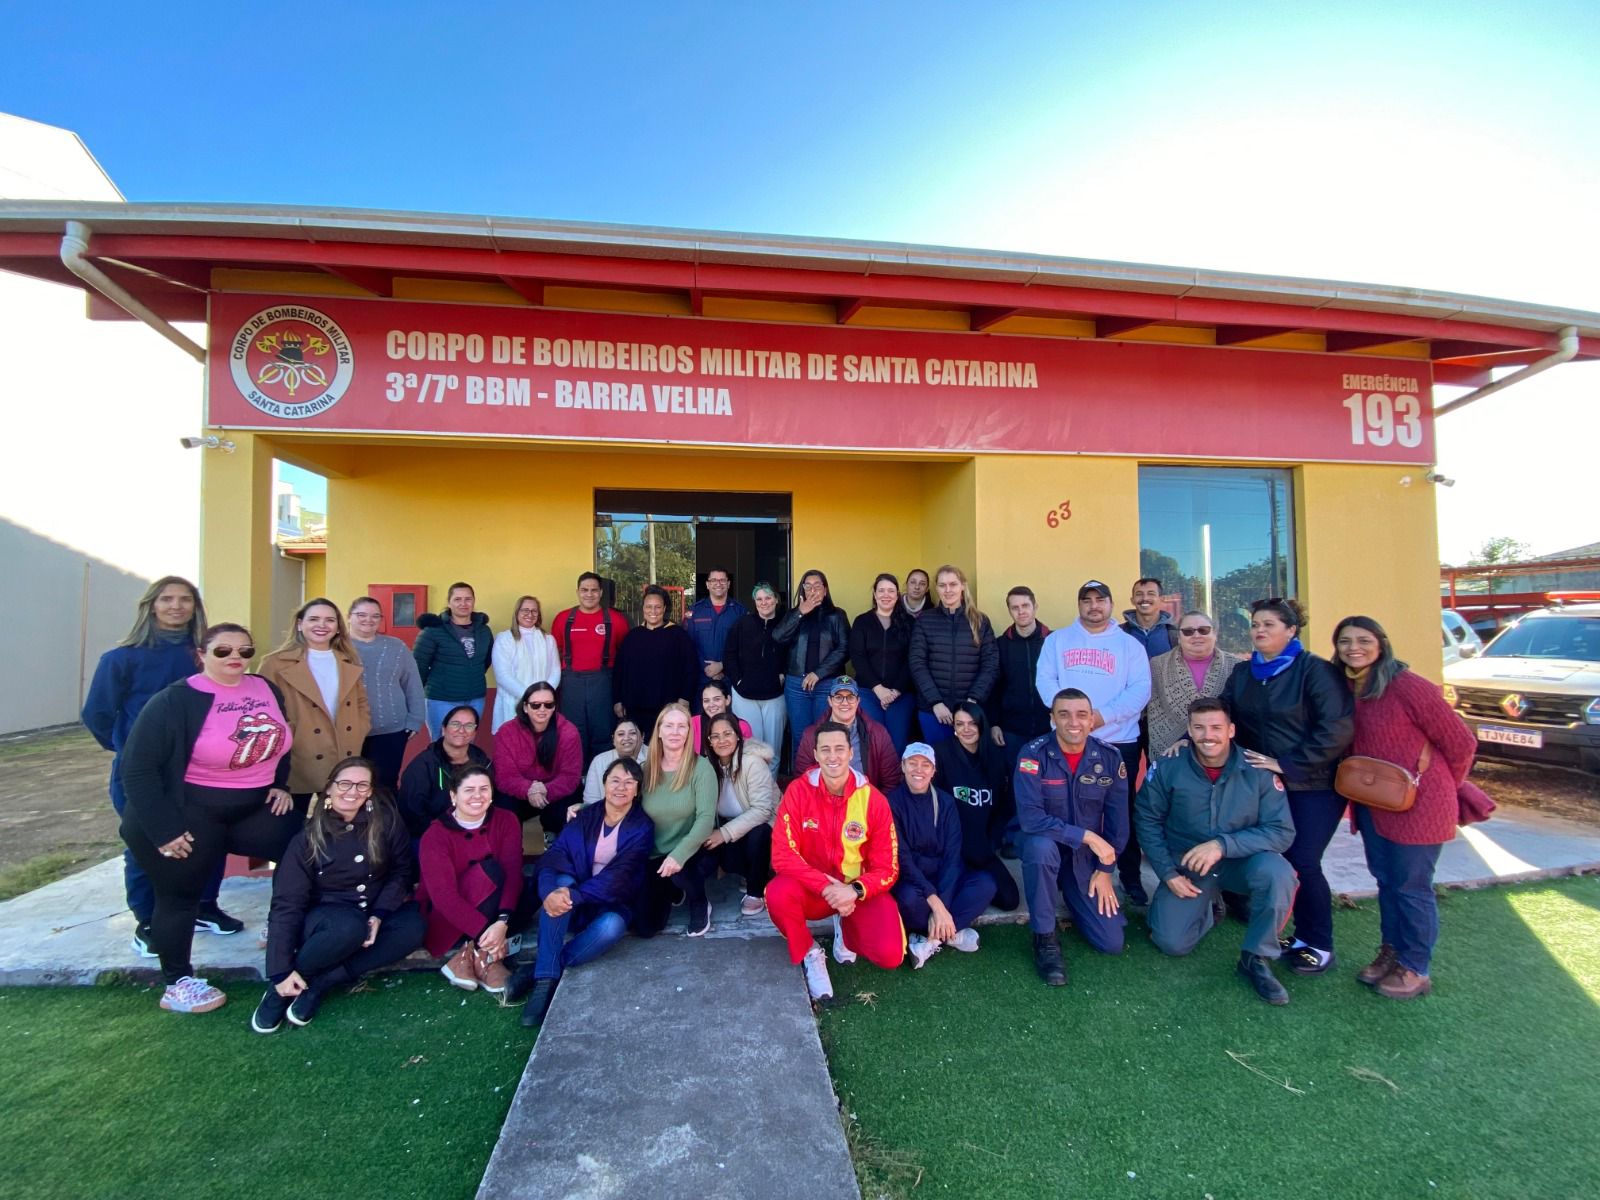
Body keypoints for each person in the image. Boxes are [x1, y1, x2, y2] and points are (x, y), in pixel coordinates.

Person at [118, 622, 297, 1013]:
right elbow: (137, 769)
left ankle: (283, 929)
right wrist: (164, 830)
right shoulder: (176, 700)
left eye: (245, 651)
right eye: (223, 651)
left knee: (299, 846)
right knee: (179, 896)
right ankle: (177, 981)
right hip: (190, 809)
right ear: (202, 654)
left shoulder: (264, 688)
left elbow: (280, 740)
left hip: (250, 806)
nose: (236, 658)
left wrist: (280, 784)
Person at [82, 575, 242, 955]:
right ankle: (148, 920)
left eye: (185, 599)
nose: (176, 606)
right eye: (167, 599)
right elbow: (98, 714)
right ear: (151, 605)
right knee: (148, 843)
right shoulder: (122, 658)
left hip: (202, 769)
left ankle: (204, 906)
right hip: (145, 774)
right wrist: (130, 748)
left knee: (210, 838)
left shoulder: (206, 655)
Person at [1333, 615, 1482, 1000]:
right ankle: (1392, 952)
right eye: (1345, 640)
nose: (1354, 647)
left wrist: (1447, 786)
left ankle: (1416, 967)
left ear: (1381, 643)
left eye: (1363, 640)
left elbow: (1460, 742)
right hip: (1373, 800)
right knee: (1387, 880)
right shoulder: (1348, 688)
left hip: (1420, 804)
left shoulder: (1410, 687)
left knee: (1412, 885)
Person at [1221, 598, 1354, 975]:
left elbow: (1337, 728)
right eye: (1255, 625)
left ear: (1291, 630)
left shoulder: (1315, 672)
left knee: (1303, 860)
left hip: (1312, 785)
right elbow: (1224, 713)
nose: (1259, 630)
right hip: (1264, 786)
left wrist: (1288, 765)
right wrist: (1188, 736)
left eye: (1269, 624)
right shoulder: (1246, 673)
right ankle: (1289, 935)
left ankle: (1319, 942)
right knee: (1274, 859)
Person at [1135, 699, 1297, 1005]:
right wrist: (1167, 874)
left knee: (1278, 873)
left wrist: (1222, 844)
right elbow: (1146, 820)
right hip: (1190, 865)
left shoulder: (1258, 770)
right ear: (1189, 731)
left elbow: (1282, 832)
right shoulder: (1169, 766)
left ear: (1231, 730)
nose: (1208, 735)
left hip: (1241, 862)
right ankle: (1210, 906)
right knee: (1170, 942)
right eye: (1199, 727)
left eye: (1216, 728)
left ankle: (1257, 958)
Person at [252, 757, 426, 1032]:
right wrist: (279, 971)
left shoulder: (386, 822)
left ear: (370, 792)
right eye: (344, 783)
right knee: (347, 929)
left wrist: (380, 914)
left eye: (361, 785)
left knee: (414, 927)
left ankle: (323, 982)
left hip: (373, 910)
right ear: (329, 788)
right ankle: (283, 989)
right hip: (326, 920)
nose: (352, 791)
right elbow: (287, 904)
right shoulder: (308, 837)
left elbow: (402, 872)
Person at [508, 756, 656, 1027]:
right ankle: (544, 985)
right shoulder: (585, 816)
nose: (621, 787)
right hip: (573, 898)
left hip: (611, 902)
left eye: (629, 782)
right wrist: (549, 893)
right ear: (604, 784)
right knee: (558, 885)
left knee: (611, 928)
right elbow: (556, 855)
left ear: (637, 790)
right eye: (615, 780)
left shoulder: (642, 826)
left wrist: (571, 896)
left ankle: (541, 969)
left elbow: (620, 877)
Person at [769, 722, 905, 1004]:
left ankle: (846, 926)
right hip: (814, 890)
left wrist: (853, 891)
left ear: (850, 752)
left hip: (855, 893)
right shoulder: (798, 791)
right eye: (826, 749)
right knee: (777, 894)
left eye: (839, 749)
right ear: (815, 755)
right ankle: (810, 952)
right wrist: (826, 887)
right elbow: (782, 854)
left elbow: (888, 868)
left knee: (891, 955)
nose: (833, 756)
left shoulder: (873, 799)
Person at [1035, 580, 1152, 905]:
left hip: (1117, 741)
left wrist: (1101, 717)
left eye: (1100, 600)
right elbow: (1045, 681)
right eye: (1086, 600)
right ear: (1079, 605)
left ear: (1111, 604)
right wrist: (1069, 718)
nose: (1093, 606)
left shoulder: (1130, 646)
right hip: (1066, 741)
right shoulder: (1057, 641)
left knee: (1121, 813)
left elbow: (1140, 689)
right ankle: (1066, 875)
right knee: (1064, 808)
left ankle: (1129, 877)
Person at [1014, 689, 1128, 987]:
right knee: (1040, 848)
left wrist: (1105, 872)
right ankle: (1045, 937)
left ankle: (1073, 895)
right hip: (1044, 848)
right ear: (1052, 719)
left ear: (1092, 720)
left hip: (1083, 861)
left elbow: (1118, 825)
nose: (1073, 722)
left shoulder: (1109, 757)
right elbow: (1031, 819)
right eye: (1063, 714)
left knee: (1111, 941)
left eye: (1081, 714)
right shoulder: (1032, 755)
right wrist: (1087, 836)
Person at [416, 764, 531, 997]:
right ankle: (484, 955)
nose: (477, 796)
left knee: (534, 884)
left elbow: (512, 870)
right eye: (469, 790)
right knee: (492, 870)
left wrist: (502, 921)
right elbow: (444, 897)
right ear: (453, 796)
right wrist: (486, 933)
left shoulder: (506, 820)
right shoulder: (435, 835)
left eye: (484, 789)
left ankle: (472, 955)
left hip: (497, 914)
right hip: (451, 918)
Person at [887, 742, 997, 969]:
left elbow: (952, 854)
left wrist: (941, 905)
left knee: (985, 884)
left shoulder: (945, 802)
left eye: (925, 765)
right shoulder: (891, 802)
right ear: (903, 766)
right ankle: (951, 932)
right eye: (913, 763)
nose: (919, 770)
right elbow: (902, 858)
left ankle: (931, 939)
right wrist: (936, 904)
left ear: (934, 771)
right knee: (906, 899)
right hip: (913, 881)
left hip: (944, 878)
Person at [257, 598, 372, 813]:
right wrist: (290, 733)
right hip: (298, 751)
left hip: (343, 748)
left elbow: (361, 702)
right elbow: (263, 709)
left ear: (338, 627)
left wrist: (359, 728)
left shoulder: (348, 660)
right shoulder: (275, 663)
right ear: (300, 624)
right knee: (292, 821)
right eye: (314, 619)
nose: (322, 625)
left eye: (329, 620)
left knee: (337, 820)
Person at [683, 714, 778, 924]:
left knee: (758, 833)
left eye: (727, 734)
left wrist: (723, 833)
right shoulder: (708, 766)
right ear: (708, 741)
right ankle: (688, 891)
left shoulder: (753, 763)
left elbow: (762, 810)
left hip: (765, 830)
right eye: (714, 736)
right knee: (704, 841)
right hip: (730, 829)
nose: (721, 740)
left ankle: (755, 891)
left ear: (738, 736)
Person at [637, 703, 717, 936]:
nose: (675, 732)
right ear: (659, 731)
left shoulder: (701, 768)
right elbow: (619, 801)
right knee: (647, 926)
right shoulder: (646, 769)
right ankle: (673, 890)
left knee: (682, 873)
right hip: (656, 854)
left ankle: (699, 901)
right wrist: (584, 808)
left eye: (681, 726)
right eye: (669, 726)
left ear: (689, 733)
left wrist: (679, 855)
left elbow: (705, 820)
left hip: (694, 850)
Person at [933, 702, 1021, 912]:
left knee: (1010, 900)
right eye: (960, 724)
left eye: (972, 723)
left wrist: (991, 840)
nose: (966, 729)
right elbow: (933, 805)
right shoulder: (941, 753)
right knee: (942, 895)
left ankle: (974, 882)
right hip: (951, 847)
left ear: (982, 724)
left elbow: (1003, 805)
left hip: (981, 848)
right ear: (953, 726)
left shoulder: (996, 758)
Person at [907, 565, 998, 746]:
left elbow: (991, 664)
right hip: (933, 712)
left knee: (969, 765)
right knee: (939, 764)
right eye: (942, 585)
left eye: (953, 584)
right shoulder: (925, 620)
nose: (948, 590)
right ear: (936, 588)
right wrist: (936, 702)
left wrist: (973, 701)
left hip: (970, 712)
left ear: (962, 586)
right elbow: (917, 663)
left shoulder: (980, 621)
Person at [346, 596, 426, 793]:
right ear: (348, 617)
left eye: (375, 616)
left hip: (392, 730)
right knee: (350, 784)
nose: (368, 620)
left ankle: (387, 823)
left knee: (385, 784)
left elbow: (413, 683)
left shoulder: (396, 647)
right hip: (347, 730)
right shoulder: (336, 648)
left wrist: (415, 719)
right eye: (361, 615)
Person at [772, 569, 849, 764]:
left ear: (825, 590)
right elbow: (778, 637)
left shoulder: (837, 615)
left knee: (825, 737)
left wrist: (818, 673)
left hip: (826, 684)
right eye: (808, 586)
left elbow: (844, 649)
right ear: (802, 590)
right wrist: (800, 612)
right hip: (796, 684)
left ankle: (823, 784)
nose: (813, 590)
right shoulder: (794, 614)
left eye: (817, 586)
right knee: (801, 738)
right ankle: (803, 785)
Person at [552, 571, 631, 760]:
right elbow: (555, 651)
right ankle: (576, 783)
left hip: (603, 684)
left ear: (601, 592)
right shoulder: (563, 619)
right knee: (573, 734)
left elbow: (624, 656)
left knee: (603, 732)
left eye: (594, 590)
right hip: (572, 685)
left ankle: (602, 779)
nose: (589, 594)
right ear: (577, 591)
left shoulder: (616, 620)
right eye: (584, 590)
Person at [493, 681, 584, 836]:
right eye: (536, 705)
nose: (542, 709)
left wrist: (544, 790)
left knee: (567, 810)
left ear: (554, 707)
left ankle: (558, 850)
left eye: (548, 705)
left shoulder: (568, 732)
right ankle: (509, 853)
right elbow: (505, 776)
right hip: (520, 791)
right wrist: (529, 789)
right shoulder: (507, 732)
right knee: (503, 808)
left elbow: (570, 776)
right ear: (525, 707)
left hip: (555, 792)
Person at [612, 584, 699, 740]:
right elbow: (619, 671)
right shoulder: (632, 637)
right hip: (635, 710)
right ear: (643, 608)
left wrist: (685, 698)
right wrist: (617, 700)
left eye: (657, 607)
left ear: (664, 608)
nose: (653, 611)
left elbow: (690, 669)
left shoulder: (678, 635)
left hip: (668, 709)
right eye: (649, 607)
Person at [1146, 611, 1237, 758]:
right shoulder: (1157, 666)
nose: (1196, 635)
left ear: (1215, 634)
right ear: (1179, 637)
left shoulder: (1236, 666)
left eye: (1203, 630)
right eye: (1188, 631)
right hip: (1170, 750)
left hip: (1222, 751)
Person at [397, 704, 492, 840]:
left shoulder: (483, 763)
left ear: (474, 733)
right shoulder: (423, 765)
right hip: (431, 834)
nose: (462, 730)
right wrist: (441, 835)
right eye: (455, 724)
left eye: (469, 726)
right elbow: (412, 811)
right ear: (443, 729)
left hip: (475, 832)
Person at [793, 676, 903, 793]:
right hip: (823, 805)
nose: (844, 703)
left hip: (863, 805)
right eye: (838, 697)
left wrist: (873, 808)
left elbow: (891, 782)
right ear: (830, 701)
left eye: (850, 697)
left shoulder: (878, 733)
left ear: (858, 701)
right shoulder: (811, 735)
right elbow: (802, 781)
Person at [413, 582, 494, 736]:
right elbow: (418, 666)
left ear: (474, 601)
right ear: (449, 602)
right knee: (441, 747)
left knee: (466, 745)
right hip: (442, 700)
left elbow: (485, 661)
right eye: (457, 599)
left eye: (468, 599)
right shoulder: (433, 631)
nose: (463, 603)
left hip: (475, 698)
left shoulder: (484, 630)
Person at [849, 573, 916, 752]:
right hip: (868, 692)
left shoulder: (909, 623)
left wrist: (895, 691)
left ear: (897, 595)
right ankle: (871, 781)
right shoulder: (862, 621)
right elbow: (858, 657)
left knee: (897, 745)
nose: (886, 595)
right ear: (875, 594)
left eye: (891, 591)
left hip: (901, 695)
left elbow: (913, 659)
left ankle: (894, 781)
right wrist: (878, 689)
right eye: (881, 590)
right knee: (872, 744)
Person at [723, 581, 787, 760]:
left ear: (776, 600)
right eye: (759, 599)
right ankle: (753, 787)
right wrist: (738, 681)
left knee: (773, 750)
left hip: (774, 696)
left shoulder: (785, 624)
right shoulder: (742, 624)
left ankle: (770, 787)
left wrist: (783, 675)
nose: (763, 602)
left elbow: (794, 652)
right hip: (745, 696)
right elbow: (729, 655)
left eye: (768, 598)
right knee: (751, 749)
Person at [989, 586, 1052, 766]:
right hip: (1012, 731)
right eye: (1015, 607)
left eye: (1025, 605)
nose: (1021, 611)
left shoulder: (1053, 641)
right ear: (1009, 610)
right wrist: (994, 723)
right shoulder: (1000, 644)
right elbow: (994, 687)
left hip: (1048, 728)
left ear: (1035, 606)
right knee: (1016, 783)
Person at [490, 595, 561, 733]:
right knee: (513, 745)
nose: (530, 614)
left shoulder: (548, 639)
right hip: (513, 703)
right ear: (517, 613)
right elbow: (503, 675)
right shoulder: (504, 639)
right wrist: (530, 697)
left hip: (541, 706)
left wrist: (542, 698)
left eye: (534, 611)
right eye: (525, 610)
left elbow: (555, 671)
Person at [684, 565, 747, 697]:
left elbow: (745, 646)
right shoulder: (695, 611)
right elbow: (688, 645)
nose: (718, 584)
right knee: (701, 717)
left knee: (729, 718)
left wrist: (722, 665)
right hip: (701, 679)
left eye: (722, 580)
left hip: (730, 679)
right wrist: (706, 668)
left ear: (728, 584)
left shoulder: (740, 611)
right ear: (707, 584)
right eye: (714, 580)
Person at [580, 720, 648, 807]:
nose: (626, 738)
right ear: (613, 739)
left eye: (633, 733)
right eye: (621, 734)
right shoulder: (600, 761)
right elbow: (591, 801)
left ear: (642, 737)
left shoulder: (655, 757)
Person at [689, 680, 751, 754]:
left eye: (717, 699)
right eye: (706, 701)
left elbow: (746, 757)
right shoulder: (692, 723)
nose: (711, 705)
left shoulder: (741, 726)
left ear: (727, 700)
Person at [1121, 577, 1177, 658]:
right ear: (1132, 600)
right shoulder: (1120, 632)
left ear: (1161, 599)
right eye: (1139, 594)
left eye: (1151, 594)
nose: (1145, 598)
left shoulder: (1175, 634)